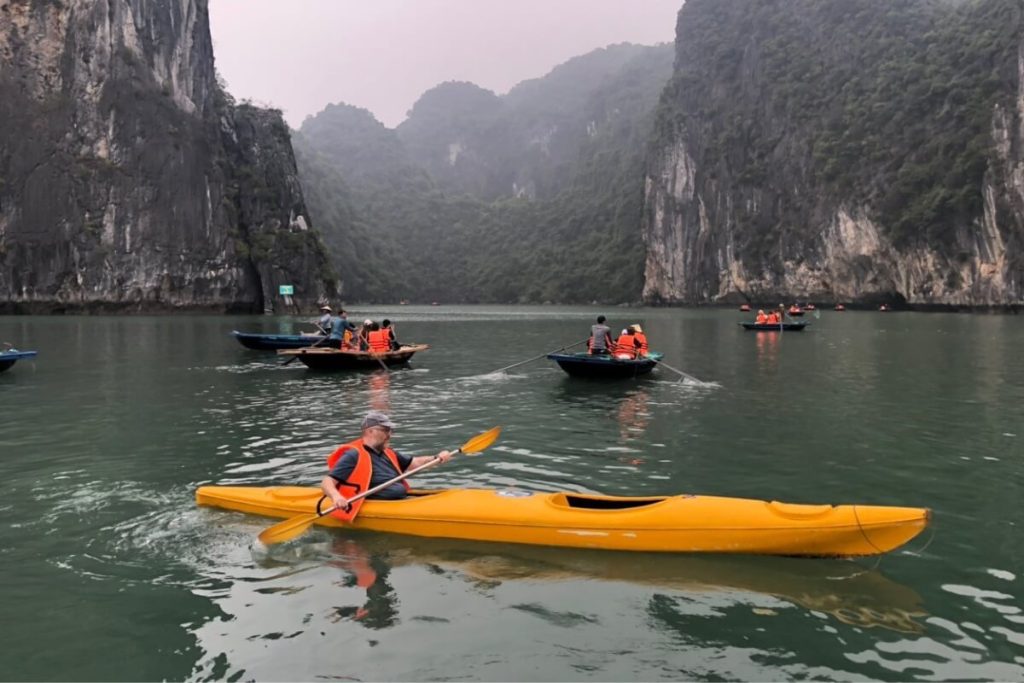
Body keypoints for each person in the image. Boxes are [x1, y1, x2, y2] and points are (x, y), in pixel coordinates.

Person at [320, 411, 453, 522]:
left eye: (391, 430)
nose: (390, 434)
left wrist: (437, 458)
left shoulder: (388, 452)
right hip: (376, 506)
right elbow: (328, 481)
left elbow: (414, 463)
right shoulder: (353, 455)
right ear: (370, 431)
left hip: (401, 501)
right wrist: (337, 497)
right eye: (385, 430)